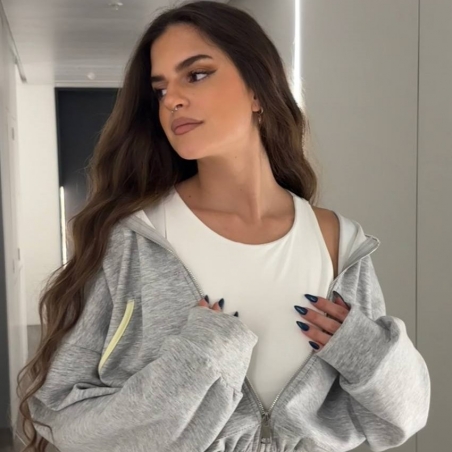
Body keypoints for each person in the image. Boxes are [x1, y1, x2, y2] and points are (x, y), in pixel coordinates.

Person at [17, 1, 430, 451]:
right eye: (160, 89)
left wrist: (366, 351)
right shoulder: (134, 242)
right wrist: (199, 360)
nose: (172, 99)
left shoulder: (338, 241)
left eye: (196, 74)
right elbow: (64, 416)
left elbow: (402, 417)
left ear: (258, 91)